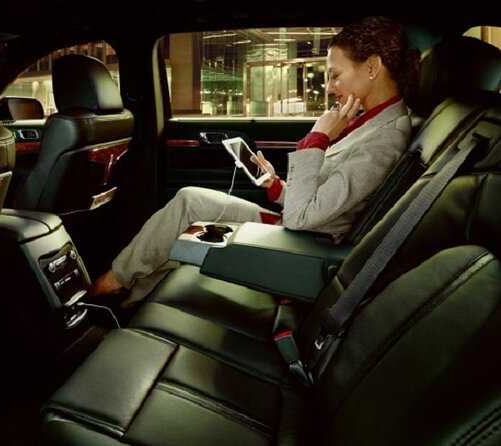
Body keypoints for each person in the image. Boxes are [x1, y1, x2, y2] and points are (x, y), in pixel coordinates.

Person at [90, 16, 420, 307]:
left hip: (303, 248)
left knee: (188, 206)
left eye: (336, 75)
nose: (331, 87)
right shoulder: (369, 124)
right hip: (298, 231)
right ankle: (127, 295)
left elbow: (303, 217)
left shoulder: (385, 140)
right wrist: (276, 187)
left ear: (372, 68)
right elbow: (323, 200)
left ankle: (112, 284)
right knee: (189, 202)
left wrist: (316, 139)